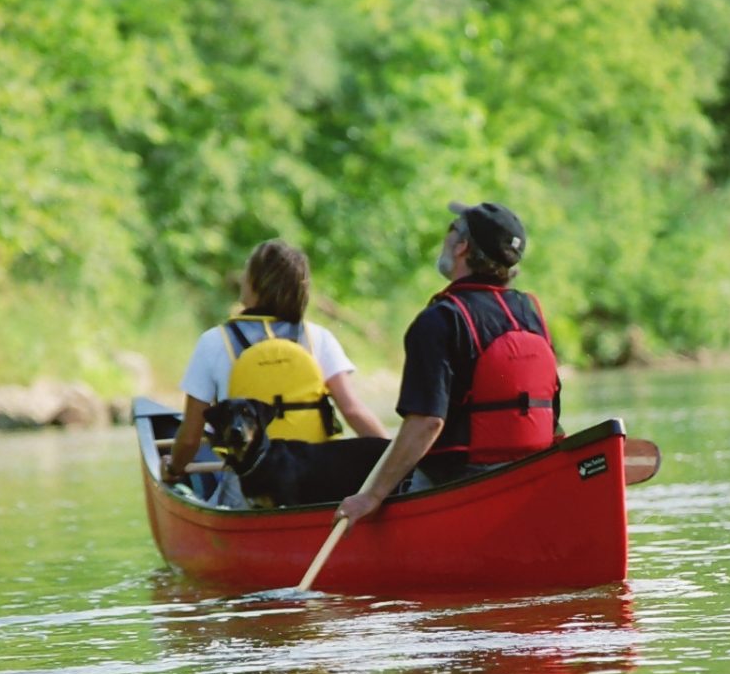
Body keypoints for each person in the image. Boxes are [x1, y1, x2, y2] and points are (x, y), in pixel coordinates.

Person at [336, 201, 560, 526]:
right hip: (528, 475)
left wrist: (370, 497)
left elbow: (427, 422)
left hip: (458, 484)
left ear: (462, 246)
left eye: (451, 229)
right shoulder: (530, 313)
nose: (447, 237)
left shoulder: (439, 320)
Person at [165, 239, 388, 505]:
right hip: (319, 484)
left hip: (248, 486)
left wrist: (173, 468)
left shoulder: (214, 342)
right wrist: (396, 461)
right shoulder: (318, 338)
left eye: (247, 271)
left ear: (257, 282)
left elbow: (190, 438)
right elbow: (353, 412)